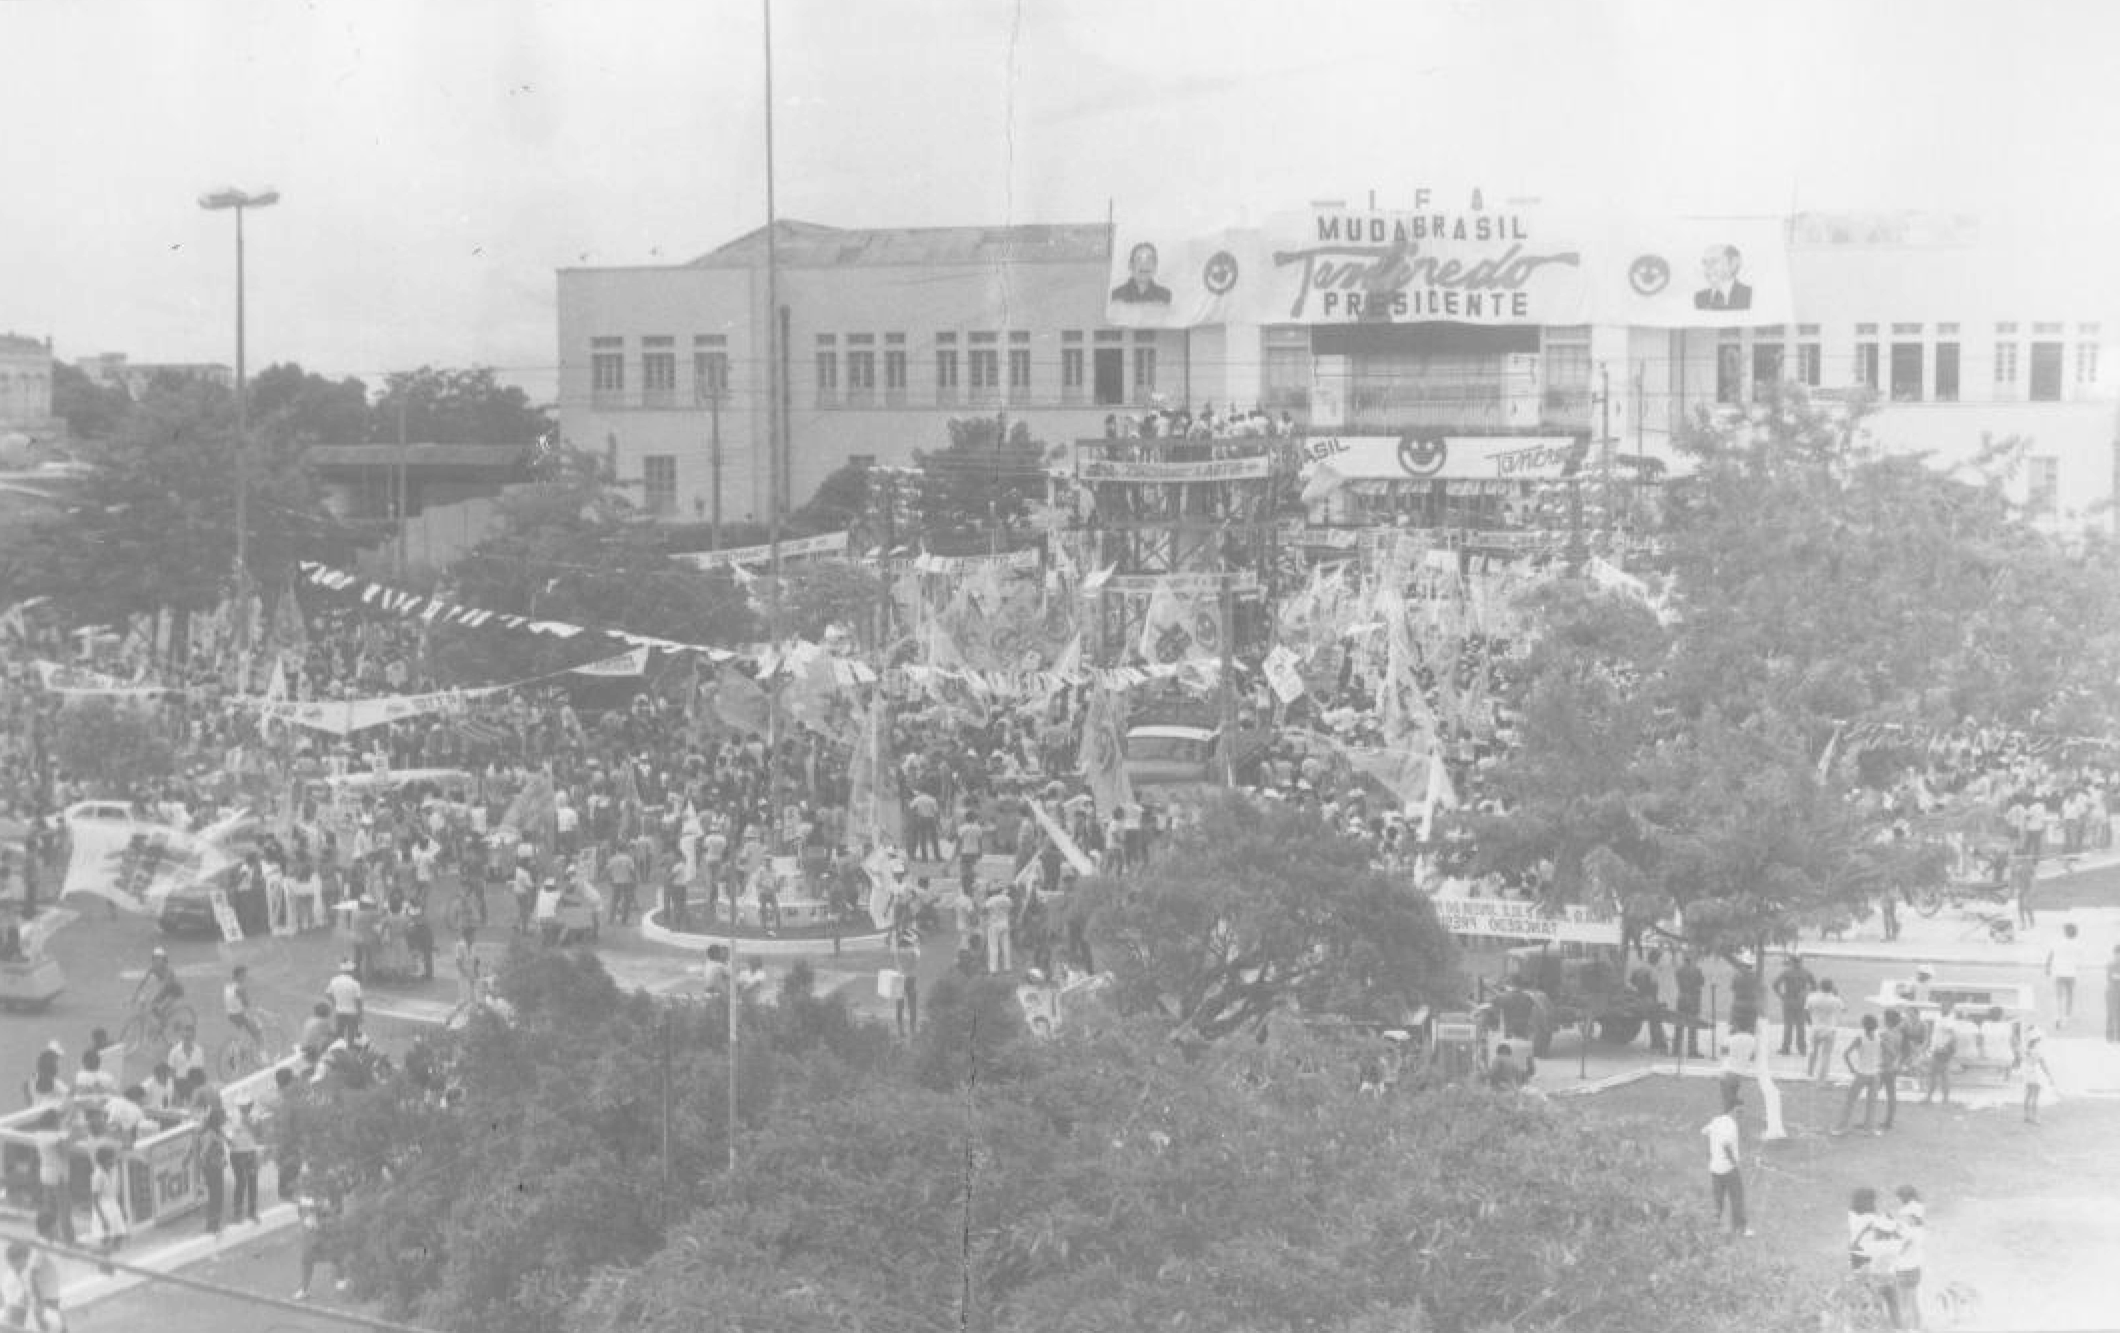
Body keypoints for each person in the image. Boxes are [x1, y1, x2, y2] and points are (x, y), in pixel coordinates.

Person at [1847, 1187, 1904, 1328]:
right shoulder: (1872, 1219)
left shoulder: (1852, 1215)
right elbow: (1894, 1228)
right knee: (1890, 1301)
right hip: (1872, 1259)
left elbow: (1855, 1244)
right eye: (1873, 1200)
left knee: (1869, 1297)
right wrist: (1889, 1219)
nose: (1874, 1203)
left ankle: (1873, 1324)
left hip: (1858, 1257)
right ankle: (1896, 1327)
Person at [292, 1174, 350, 1301]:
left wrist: (320, 1213)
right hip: (311, 1233)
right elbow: (300, 1207)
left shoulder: (330, 1189)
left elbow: (335, 1210)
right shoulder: (305, 1196)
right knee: (307, 1259)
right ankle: (304, 1289)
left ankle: (342, 1277)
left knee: (335, 1254)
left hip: (326, 1230)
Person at [1702, 1086, 1751, 1237]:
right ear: (1733, 1109)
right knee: (1737, 1197)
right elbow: (1726, 1145)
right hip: (1728, 1168)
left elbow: (1704, 1131)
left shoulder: (1717, 1120)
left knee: (1718, 1199)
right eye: (1740, 1111)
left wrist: (1712, 1150)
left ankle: (1713, 1227)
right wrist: (1734, 1162)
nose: (1741, 1115)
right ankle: (1740, 1228)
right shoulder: (1731, 1125)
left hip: (1714, 1168)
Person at [1834, 1014, 1883, 1135]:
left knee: (1850, 1101)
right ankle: (1869, 1128)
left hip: (1862, 1073)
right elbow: (1884, 1053)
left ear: (1864, 1025)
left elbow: (1846, 1054)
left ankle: (1841, 1127)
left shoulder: (1860, 1038)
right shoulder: (1878, 1038)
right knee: (1872, 1103)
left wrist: (1851, 1069)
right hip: (1875, 1074)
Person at [1, 1240, 63, 1332]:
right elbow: (18, 1304)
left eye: (26, 1258)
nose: (26, 1262)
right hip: (16, 1314)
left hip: (24, 1313)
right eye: (23, 1259)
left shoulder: (23, 1275)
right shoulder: (10, 1280)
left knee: (54, 1321)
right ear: (12, 1261)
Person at [88, 1143, 128, 1273]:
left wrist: (121, 1208)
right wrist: (103, 1218)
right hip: (103, 1208)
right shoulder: (97, 1175)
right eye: (112, 1158)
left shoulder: (113, 1171)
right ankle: (105, 1267)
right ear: (105, 1160)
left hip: (113, 1206)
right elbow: (94, 1199)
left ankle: (100, 1257)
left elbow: (115, 1192)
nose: (114, 1161)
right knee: (106, 1238)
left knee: (119, 1236)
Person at [1894, 1186, 1927, 1330]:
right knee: (1914, 1299)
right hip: (1916, 1267)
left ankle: (1907, 1328)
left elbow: (1902, 1248)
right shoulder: (1920, 1230)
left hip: (1904, 1268)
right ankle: (1917, 1327)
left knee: (1904, 1302)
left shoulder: (1909, 1231)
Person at [228, 1094, 263, 1226]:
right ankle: (237, 1213)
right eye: (242, 1106)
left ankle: (252, 1212)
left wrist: (253, 1123)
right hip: (237, 1153)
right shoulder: (233, 1116)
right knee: (241, 1182)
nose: (245, 1108)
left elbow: (260, 1134)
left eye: (247, 1105)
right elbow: (224, 1130)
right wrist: (228, 1140)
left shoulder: (255, 1117)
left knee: (253, 1182)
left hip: (250, 1151)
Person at [131, 944, 184, 1029]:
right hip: (166, 990)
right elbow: (143, 981)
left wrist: (153, 995)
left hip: (175, 991)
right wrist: (136, 994)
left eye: (159, 959)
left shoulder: (169, 970)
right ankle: (161, 1022)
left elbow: (164, 984)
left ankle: (167, 1024)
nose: (157, 961)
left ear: (164, 960)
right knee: (153, 1007)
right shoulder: (152, 968)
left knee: (162, 1007)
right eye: (155, 959)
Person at [1805, 978, 1846, 1083]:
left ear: (1820, 986)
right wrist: (1837, 995)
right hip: (1830, 1029)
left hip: (1815, 1027)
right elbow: (1844, 1009)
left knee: (1812, 1052)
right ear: (1831, 987)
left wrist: (1811, 1023)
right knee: (1826, 1055)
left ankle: (1809, 1073)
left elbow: (1806, 1011)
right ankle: (1822, 1077)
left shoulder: (1811, 997)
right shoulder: (1835, 999)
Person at [1773, 954, 1815, 1055]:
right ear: (1801, 961)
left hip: (1788, 1000)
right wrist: (1806, 992)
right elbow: (1814, 986)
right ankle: (1802, 1048)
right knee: (1800, 1026)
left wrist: (1781, 995)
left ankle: (1786, 1048)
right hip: (1801, 1002)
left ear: (1791, 962)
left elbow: (1775, 984)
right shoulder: (1806, 972)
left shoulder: (1787, 972)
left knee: (1788, 1026)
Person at [1692, 244, 1753, 310]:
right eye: (1705, 262)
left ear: (1733, 264)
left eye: (1714, 261)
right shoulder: (1699, 298)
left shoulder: (1748, 295)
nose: (1708, 268)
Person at [2046, 921, 2081, 1028]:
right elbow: (2078, 959)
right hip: (2071, 973)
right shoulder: (2077, 944)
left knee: (2058, 996)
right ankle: (2066, 1018)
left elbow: (2050, 955)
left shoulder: (2057, 942)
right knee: (2069, 996)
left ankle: (2057, 1016)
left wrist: (2047, 967)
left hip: (2058, 972)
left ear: (2065, 932)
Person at [1877, 1009, 1907, 1131]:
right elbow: (1899, 1052)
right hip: (1893, 1067)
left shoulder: (1885, 1034)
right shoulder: (1899, 1034)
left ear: (1888, 1020)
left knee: (1874, 1093)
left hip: (1884, 1066)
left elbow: (1891, 1052)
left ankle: (1870, 1119)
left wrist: (1883, 1044)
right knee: (1891, 1094)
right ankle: (1889, 1121)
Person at [2022, 1028, 2056, 1124]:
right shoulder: (2037, 1051)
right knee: (2035, 1096)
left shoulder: (2026, 1050)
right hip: (2035, 1073)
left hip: (2027, 1072)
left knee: (2028, 1095)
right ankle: (2035, 1117)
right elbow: (2043, 1065)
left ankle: (2026, 1115)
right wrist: (2049, 1076)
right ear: (2036, 1041)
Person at [1674, 953, 1705, 1057]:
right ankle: (1692, 1051)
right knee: (1693, 1025)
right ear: (1692, 959)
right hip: (1693, 998)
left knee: (1679, 1023)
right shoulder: (1697, 970)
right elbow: (1701, 982)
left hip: (1681, 997)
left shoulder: (1679, 970)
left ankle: (1676, 1049)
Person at [225, 964, 263, 1049]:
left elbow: (234, 1001)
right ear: (239, 976)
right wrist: (260, 1011)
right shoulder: (240, 988)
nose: (245, 977)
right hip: (239, 1016)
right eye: (244, 975)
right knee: (258, 1034)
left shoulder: (228, 987)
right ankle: (263, 1056)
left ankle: (242, 1047)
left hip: (230, 1015)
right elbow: (247, 1004)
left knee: (245, 1034)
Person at [325, 960, 364, 1042]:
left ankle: (339, 1048)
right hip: (352, 1012)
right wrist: (360, 1014)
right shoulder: (355, 983)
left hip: (339, 1010)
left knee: (339, 1034)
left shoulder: (334, 980)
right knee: (351, 1034)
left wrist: (335, 1003)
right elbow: (358, 1000)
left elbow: (328, 994)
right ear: (351, 971)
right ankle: (349, 1047)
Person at [2106, 943, 2120, 1044]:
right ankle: (2109, 1036)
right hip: (2112, 992)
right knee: (2111, 1013)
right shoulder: (2111, 965)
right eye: (2117, 954)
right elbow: (2111, 977)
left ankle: (2118, 1036)